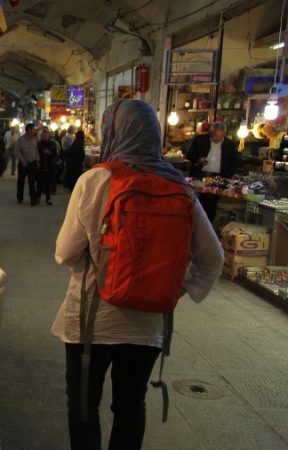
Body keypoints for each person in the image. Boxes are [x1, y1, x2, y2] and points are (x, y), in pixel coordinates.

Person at [52, 100, 223, 450]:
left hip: (90, 322)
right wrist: (172, 286)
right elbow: (213, 259)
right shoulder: (180, 188)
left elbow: (65, 252)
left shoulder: (95, 180)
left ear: (111, 131)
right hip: (148, 325)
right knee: (130, 406)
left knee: (83, 404)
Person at [187, 122, 238, 222]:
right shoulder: (200, 140)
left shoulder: (230, 144)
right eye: (215, 136)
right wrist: (198, 160)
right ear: (211, 132)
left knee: (212, 204)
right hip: (200, 176)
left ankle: (209, 226)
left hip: (218, 178)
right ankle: (196, 225)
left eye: (221, 136)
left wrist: (227, 177)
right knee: (198, 202)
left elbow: (234, 162)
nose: (218, 139)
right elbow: (190, 156)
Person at [15, 123, 39, 205]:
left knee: (32, 181)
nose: (34, 131)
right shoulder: (21, 140)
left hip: (33, 162)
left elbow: (36, 151)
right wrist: (22, 160)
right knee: (21, 181)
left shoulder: (35, 139)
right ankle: (20, 197)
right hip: (23, 163)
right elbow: (17, 151)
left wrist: (38, 160)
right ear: (29, 130)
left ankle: (33, 199)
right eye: (33, 129)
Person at [37, 128, 58, 205]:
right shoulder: (39, 144)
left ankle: (48, 198)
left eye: (46, 135)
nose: (45, 136)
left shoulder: (52, 144)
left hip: (49, 165)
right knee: (39, 182)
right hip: (41, 165)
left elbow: (55, 154)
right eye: (43, 135)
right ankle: (38, 197)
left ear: (48, 136)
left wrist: (50, 153)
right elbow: (37, 153)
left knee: (48, 183)